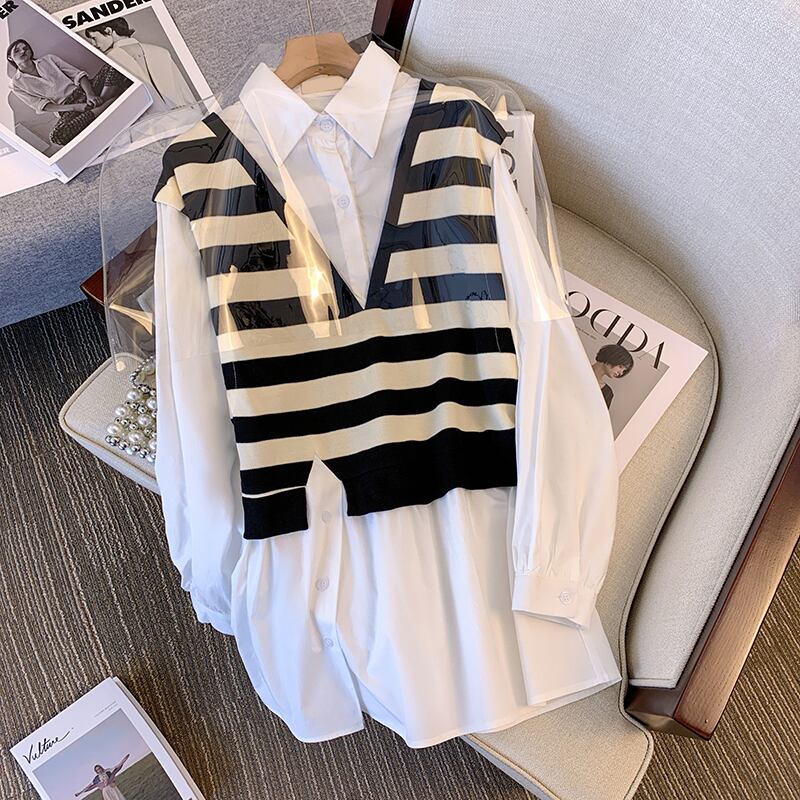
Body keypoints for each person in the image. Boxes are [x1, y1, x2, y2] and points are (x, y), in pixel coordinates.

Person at [6, 39, 130, 147]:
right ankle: (111, 102)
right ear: (10, 58)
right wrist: (76, 107)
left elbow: (78, 75)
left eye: (25, 48)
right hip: (67, 108)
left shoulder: (49, 59)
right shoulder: (16, 84)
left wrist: (90, 95)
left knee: (113, 66)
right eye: (17, 50)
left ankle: (99, 106)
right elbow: (42, 105)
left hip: (84, 91)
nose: (23, 51)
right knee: (57, 136)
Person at [85, 19, 195, 114]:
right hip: (186, 116)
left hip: (147, 126)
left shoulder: (110, 58)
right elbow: (186, 94)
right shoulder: (162, 51)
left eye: (94, 38)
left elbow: (105, 101)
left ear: (108, 31)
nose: (94, 44)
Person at [591, 342, 634, 409]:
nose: (621, 373)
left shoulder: (607, 393)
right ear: (611, 358)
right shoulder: (577, 366)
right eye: (620, 366)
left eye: (624, 371)